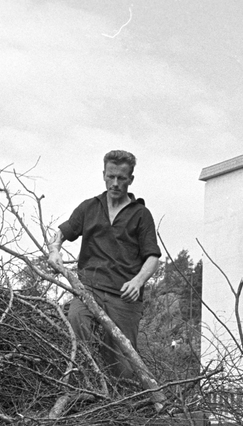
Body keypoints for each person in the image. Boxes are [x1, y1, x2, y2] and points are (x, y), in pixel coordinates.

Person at [48, 149, 160, 376]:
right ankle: (89, 382)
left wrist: (138, 282)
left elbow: (153, 258)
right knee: (76, 319)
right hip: (90, 289)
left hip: (124, 297)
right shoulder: (90, 207)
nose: (115, 183)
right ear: (104, 175)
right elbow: (60, 233)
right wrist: (54, 251)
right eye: (111, 176)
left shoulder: (141, 214)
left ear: (131, 179)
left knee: (123, 364)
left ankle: (119, 402)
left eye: (121, 178)